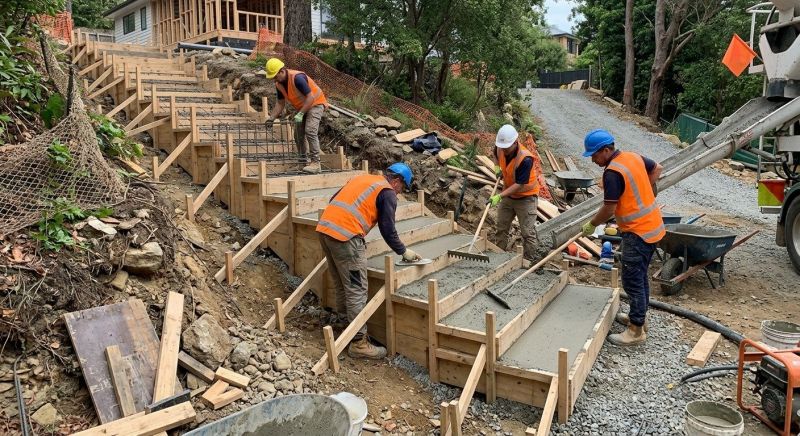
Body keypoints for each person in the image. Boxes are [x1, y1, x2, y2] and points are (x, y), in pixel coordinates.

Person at [316, 163, 421, 359]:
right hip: (346, 238)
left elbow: (334, 200)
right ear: (397, 180)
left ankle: (344, 324)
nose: (399, 193)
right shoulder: (387, 192)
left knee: (341, 283)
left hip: (325, 230)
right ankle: (358, 342)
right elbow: (388, 229)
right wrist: (403, 251)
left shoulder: (364, 179)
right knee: (357, 289)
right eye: (402, 187)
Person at [580, 129, 665, 346]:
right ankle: (640, 318)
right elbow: (657, 168)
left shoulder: (612, 173)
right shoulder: (632, 157)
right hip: (653, 226)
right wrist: (649, 191)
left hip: (638, 231)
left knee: (632, 280)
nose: (593, 159)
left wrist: (592, 224)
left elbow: (609, 209)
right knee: (640, 275)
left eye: (594, 155)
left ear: (607, 150)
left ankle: (636, 331)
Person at [261, 58, 328, 174]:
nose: (274, 80)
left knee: (310, 130)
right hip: (304, 106)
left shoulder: (297, 78)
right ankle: (303, 163)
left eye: (275, 76)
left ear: (282, 71)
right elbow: (280, 103)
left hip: (316, 103)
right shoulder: (279, 84)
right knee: (298, 134)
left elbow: (310, 97)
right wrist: (271, 118)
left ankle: (316, 163)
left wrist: (301, 113)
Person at [488, 124, 540, 261]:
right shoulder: (501, 147)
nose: (504, 151)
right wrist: (497, 168)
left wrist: (499, 196)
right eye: (502, 147)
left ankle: (530, 262)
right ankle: (498, 258)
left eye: (507, 148)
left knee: (527, 233)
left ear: (515, 143)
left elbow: (519, 185)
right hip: (508, 194)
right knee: (501, 228)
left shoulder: (525, 158)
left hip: (526, 198)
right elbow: (495, 155)